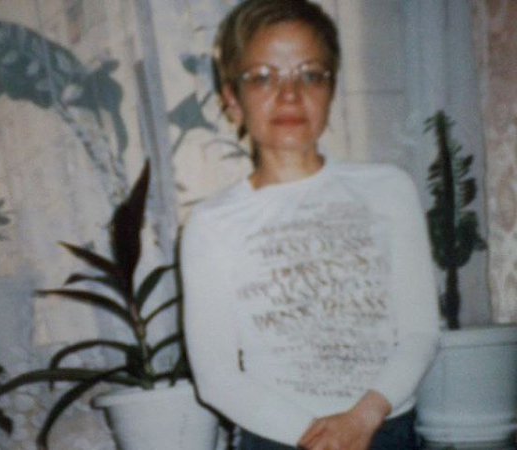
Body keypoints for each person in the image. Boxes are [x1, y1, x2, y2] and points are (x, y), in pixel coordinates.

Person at [180, 1, 440, 449]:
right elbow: (217, 376)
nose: (289, 94)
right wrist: (314, 437)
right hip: (276, 437)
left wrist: (362, 419)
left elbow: (420, 333)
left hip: (383, 429)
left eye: (311, 75)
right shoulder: (211, 225)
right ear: (232, 101)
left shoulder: (389, 190)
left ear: (331, 91)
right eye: (263, 77)